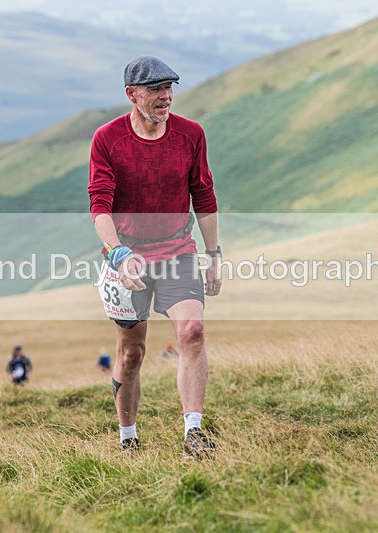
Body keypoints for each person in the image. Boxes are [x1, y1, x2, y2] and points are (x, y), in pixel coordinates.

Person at [88, 55, 222, 458]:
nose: (166, 97)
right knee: (132, 353)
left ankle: (194, 435)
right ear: (132, 94)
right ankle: (128, 436)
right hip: (128, 259)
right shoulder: (108, 139)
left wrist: (214, 254)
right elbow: (100, 207)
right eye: (156, 90)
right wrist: (118, 254)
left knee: (192, 332)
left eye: (170, 89)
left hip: (178, 250)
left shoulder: (191, 134)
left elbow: (204, 195)